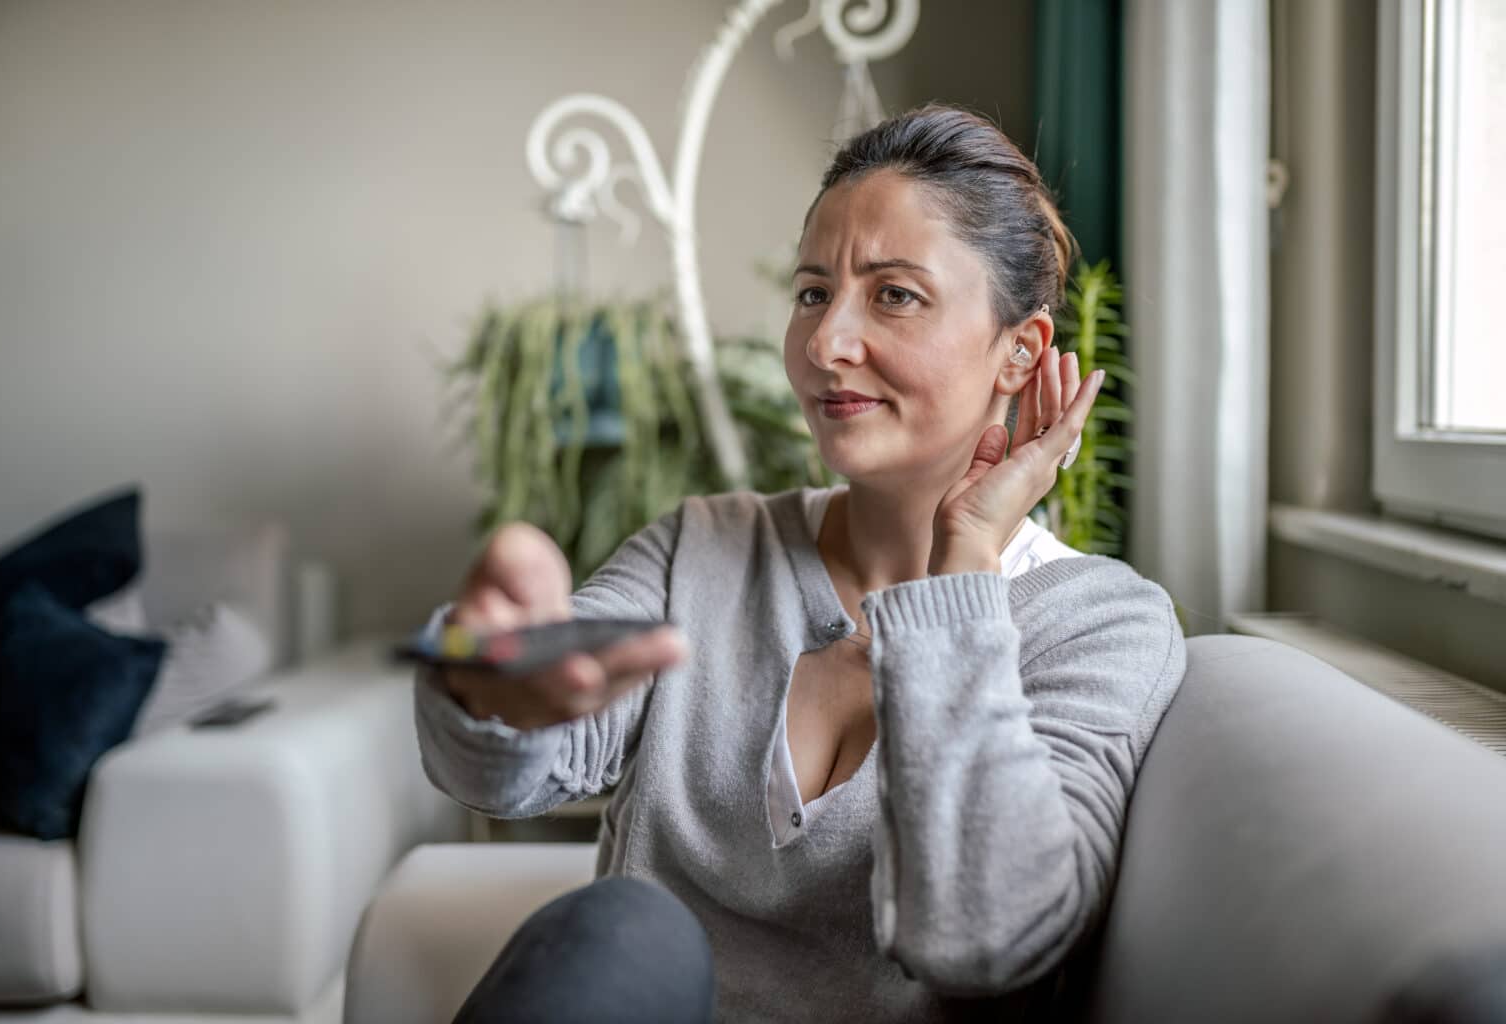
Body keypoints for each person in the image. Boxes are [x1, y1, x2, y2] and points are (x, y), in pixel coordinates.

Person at [413, 102, 1188, 1024]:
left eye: (894, 294)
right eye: (814, 292)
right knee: (626, 926)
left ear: (1019, 353)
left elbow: (982, 939)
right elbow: (502, 772)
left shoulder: (1101, 624)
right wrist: (492, 684)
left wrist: (962, 570)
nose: (825, 345)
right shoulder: (702, 549)